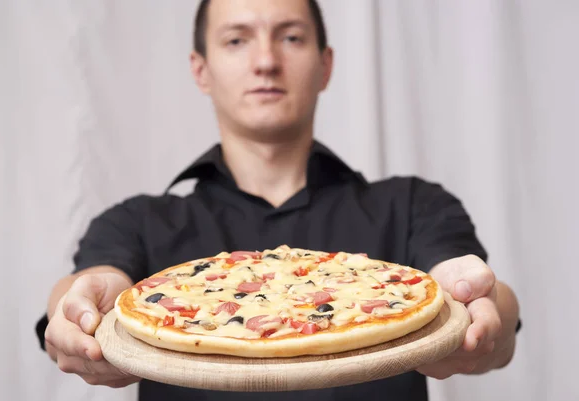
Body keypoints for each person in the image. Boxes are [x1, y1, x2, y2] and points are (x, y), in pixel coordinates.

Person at [35, 0, 521, 400]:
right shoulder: (136, 221)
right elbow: (88, 285)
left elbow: (491, 307)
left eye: (290, 37)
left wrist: (480, 304)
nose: (265, 61)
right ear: (200, 70)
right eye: (236, 40)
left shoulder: (415, 204)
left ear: (325, 64)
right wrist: (77, 304)